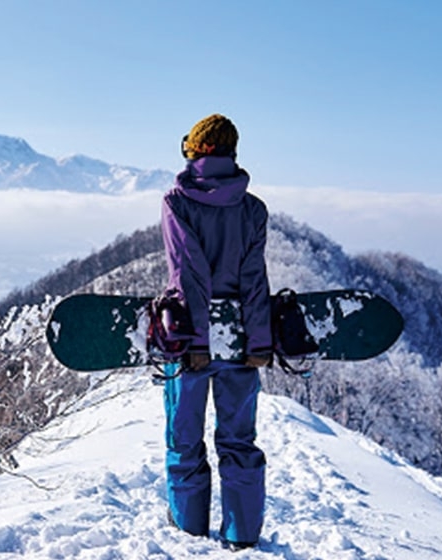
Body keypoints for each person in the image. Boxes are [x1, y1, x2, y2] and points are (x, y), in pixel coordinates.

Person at [160, 113, 272, 550]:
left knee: (185, 440)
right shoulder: (252, 208)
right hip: (242, 341)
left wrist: (197, 343)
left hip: (191, 342)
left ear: (195, 151)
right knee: (239, 441)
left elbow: (189, 274)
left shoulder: (177, 203)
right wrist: (260, 341)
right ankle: (242, 536)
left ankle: (190, 536)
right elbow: (254, 278)